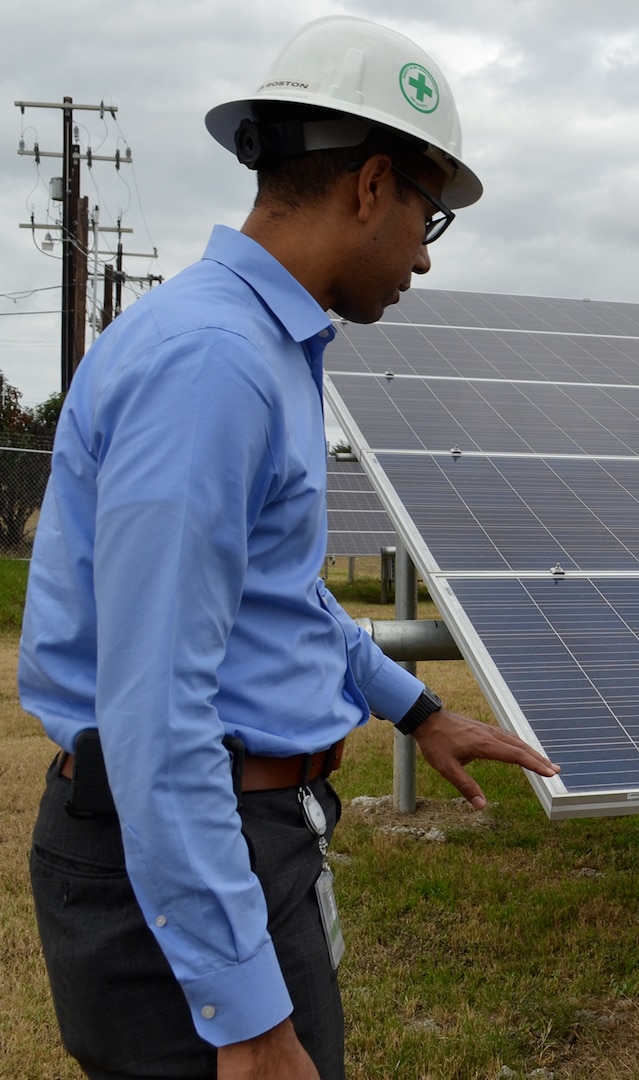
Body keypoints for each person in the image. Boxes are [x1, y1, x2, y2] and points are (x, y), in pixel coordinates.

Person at [20, 16, 558, 1080]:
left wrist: (417, 709)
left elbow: (274, 600)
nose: (422, 258)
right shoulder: (216, 364)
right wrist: (249, 1021)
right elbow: (157, 709)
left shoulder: (260, 345)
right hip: (187, 854)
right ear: (370, 186)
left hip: (234, 839)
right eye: (428, 216)